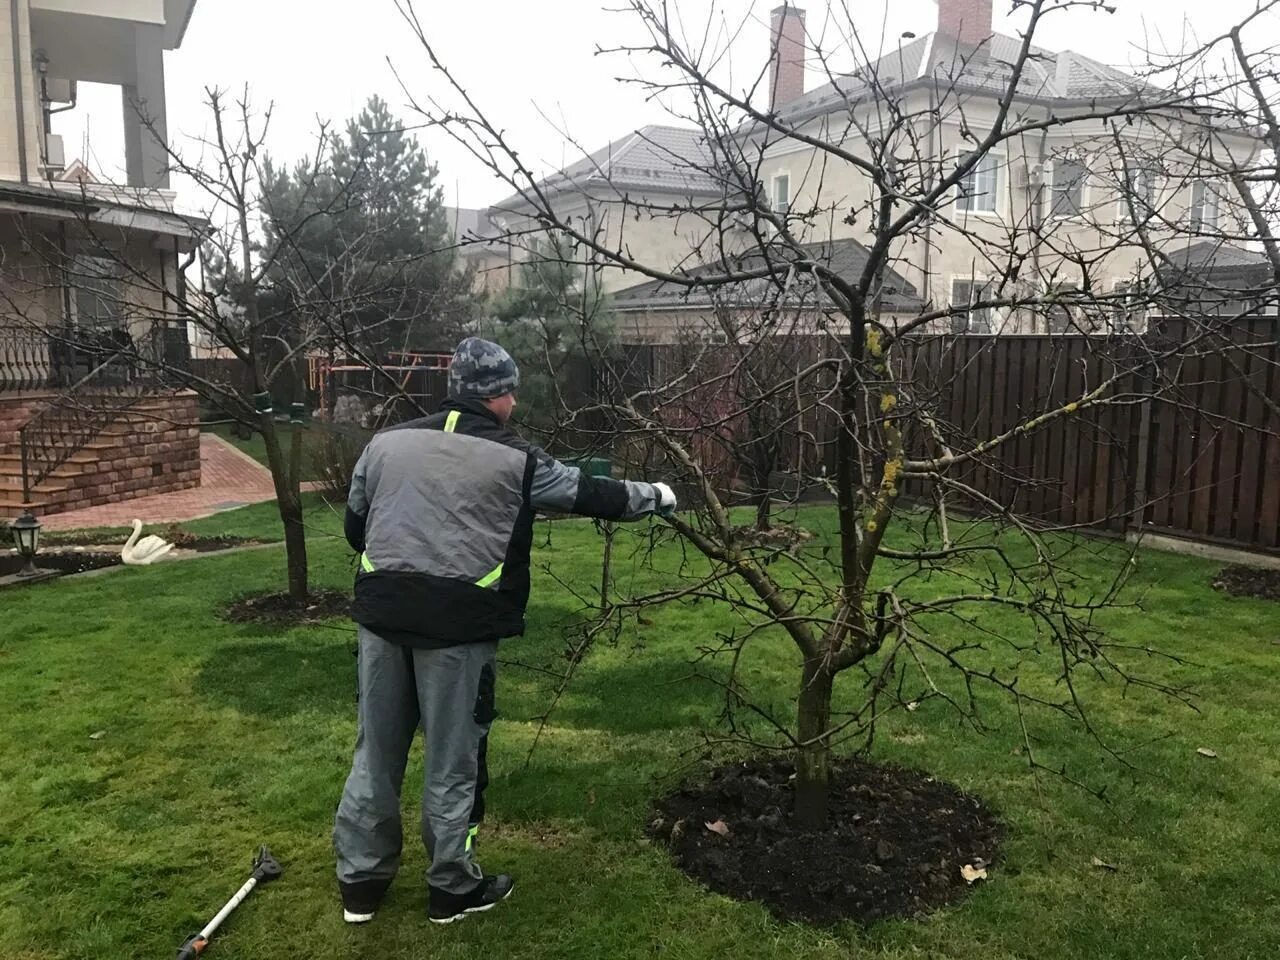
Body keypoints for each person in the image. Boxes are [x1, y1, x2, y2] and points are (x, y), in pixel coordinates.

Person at [334, 336, 676, 925]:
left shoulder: (384, 443)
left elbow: (355, 524)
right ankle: (451, 889)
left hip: (382, 616)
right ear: (495, 395)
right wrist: (658, 495)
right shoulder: (517, 459)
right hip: (459, 627)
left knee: (376, 753)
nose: (514, 403)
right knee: (453, 760)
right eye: (511, 392)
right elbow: (587, 493)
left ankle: (360, 886)